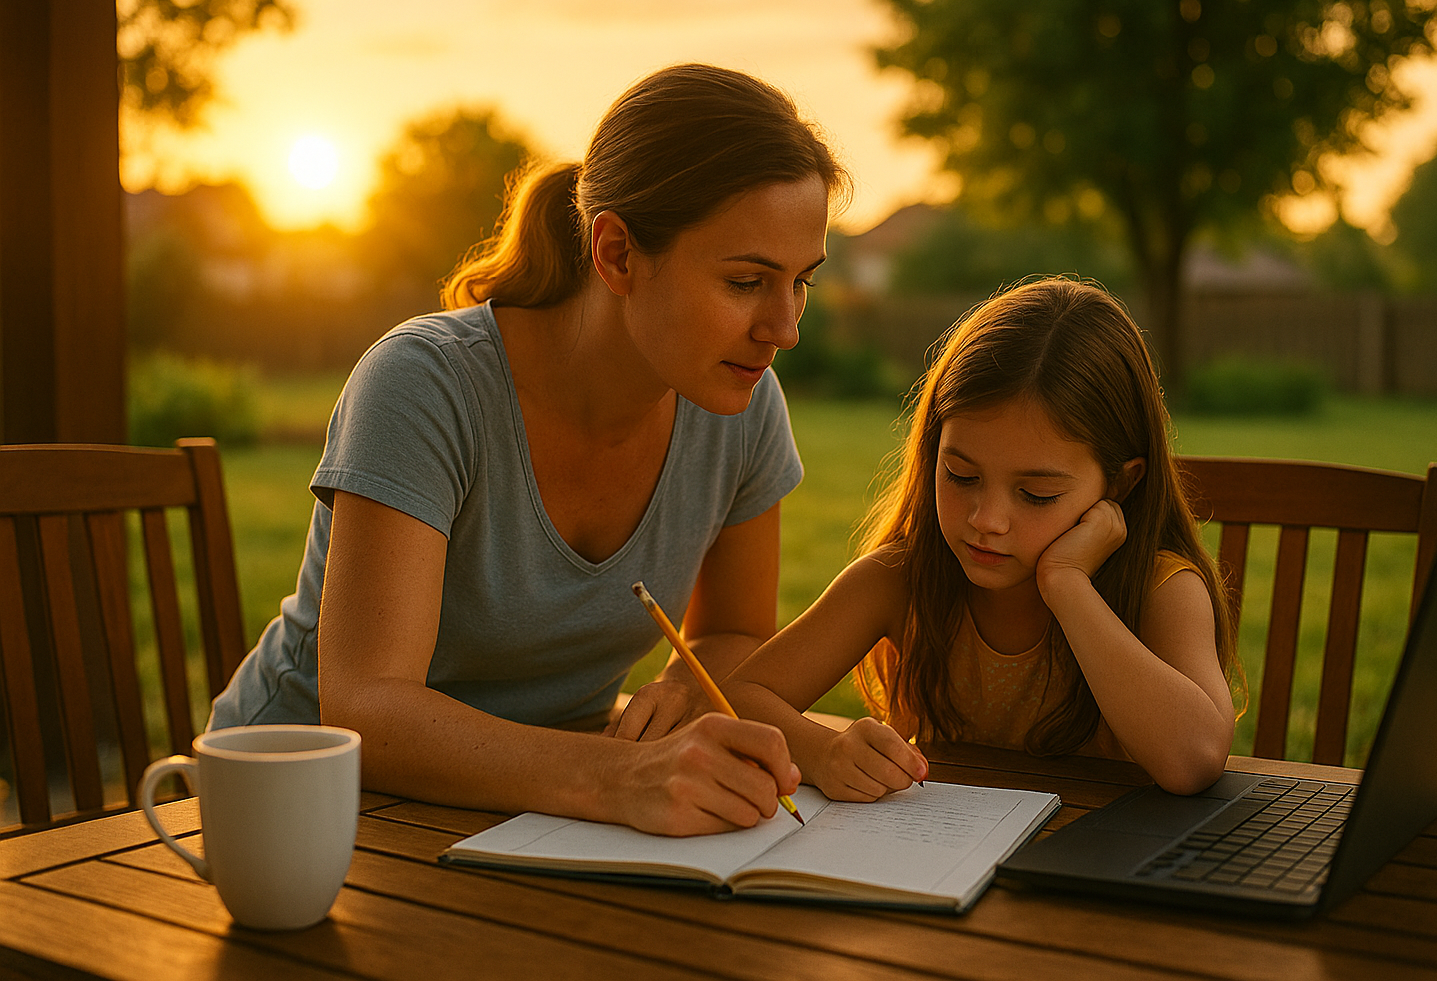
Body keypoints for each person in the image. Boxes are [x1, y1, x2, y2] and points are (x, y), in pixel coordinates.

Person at [208, 64, 850, 836]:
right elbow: (367, 713)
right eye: (748, 281)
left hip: (529, 815)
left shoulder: (741, 405)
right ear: (615, 253)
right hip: (296, 815)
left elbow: (738, 631)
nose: (785, 329)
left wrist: (687, 683)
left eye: (800, 283)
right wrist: (620, 776)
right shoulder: (424, 385)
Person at [724, 278, 1241, 799]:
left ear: (1122, 483)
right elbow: (736, 697)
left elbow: (1193, 761)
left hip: (1106, 866)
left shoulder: (1160, 590)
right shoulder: (899, 579)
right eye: (962, 476)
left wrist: (1067, 585)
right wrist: (821, 751)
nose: (987, 519)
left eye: (1036, 494)